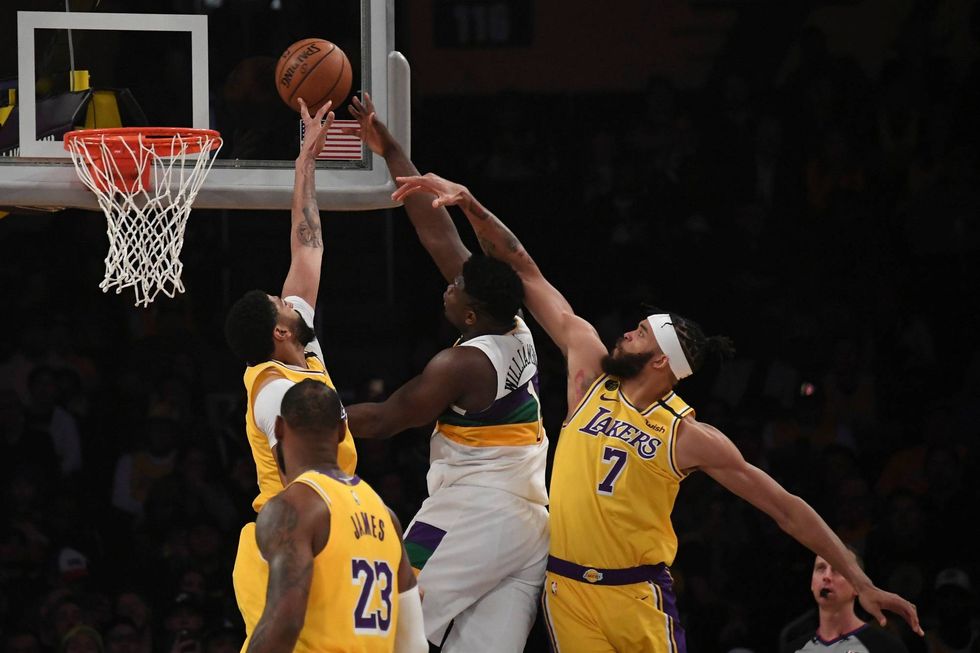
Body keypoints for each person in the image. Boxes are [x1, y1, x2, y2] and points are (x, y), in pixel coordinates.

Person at [390, 172, 924, 652]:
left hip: (635, 594)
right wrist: (471, 205)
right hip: (567, 589)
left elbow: (786, 508)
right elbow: (524, 269)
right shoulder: (589, 373)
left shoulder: (686, 435)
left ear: (663, 361)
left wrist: (861, 578)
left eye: (642, 332)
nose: (628, 331)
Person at [341, 94, 549, 652]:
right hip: (528, 524)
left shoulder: (463, 363)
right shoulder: (513, 324)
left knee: (384, 627)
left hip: (474, 513)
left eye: (456, 288)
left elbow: (386, 420)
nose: (449, 285)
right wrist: (392, 151)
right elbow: (440, 236)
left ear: (472, 315)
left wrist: (308, 414)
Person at [224, 98, 357, 513]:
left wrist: (305, 164)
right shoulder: (274, 391)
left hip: (328, 512)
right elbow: (300, 484)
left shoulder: (302, 352)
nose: (291, 300)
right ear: (280, 332)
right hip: (296, 530)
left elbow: (307, 246)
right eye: (283, 303)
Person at [232, 380, 426, 653]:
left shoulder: (294, 508)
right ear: (343, 430)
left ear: (278, 428)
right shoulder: (386, 515)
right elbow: (414, 643)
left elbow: (285, 624)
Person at [785, 553, 908, 652]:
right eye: (821, 568)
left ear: (857, 585)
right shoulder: (795, 649)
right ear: (812, 583)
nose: (826, 576)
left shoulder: (886, 647)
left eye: (838, 570)